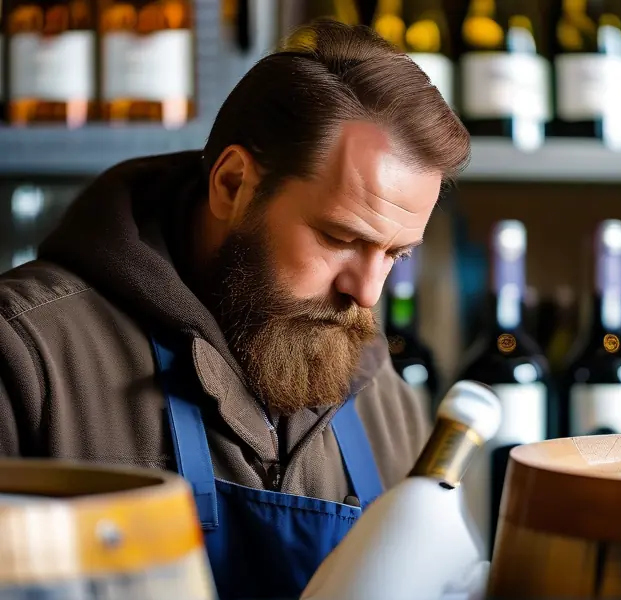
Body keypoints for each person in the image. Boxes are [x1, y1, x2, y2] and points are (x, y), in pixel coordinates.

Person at [0, 19, 470, 600]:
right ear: (232, 184)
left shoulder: (385, 398)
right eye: (340, 238)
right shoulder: (24, 354)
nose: (367, 293)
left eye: (395, 254)